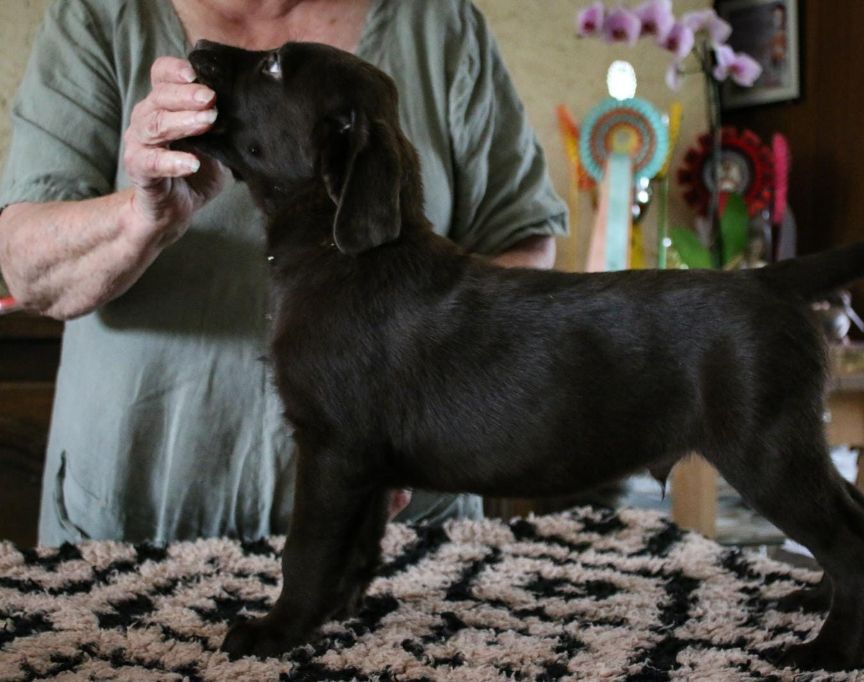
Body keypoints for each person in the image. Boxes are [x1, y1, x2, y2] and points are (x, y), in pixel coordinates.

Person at [0, 0, 567, 546]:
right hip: (139, 527)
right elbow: (27, 269)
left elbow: (519, 239)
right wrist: (142, 216)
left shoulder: (440, 23)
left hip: (394, 538)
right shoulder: (98, 17)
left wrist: (426, 411)